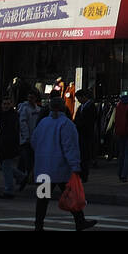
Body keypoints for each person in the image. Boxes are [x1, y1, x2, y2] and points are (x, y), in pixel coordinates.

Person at [30, 96, 96, 231]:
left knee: (42, 199)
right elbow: (70, 147)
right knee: (71, 196)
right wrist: (75, 165)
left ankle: (38, 225)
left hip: (43, 167)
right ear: (63, 107)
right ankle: (80, 221)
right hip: (60, 168)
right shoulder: (66, 124)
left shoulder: (43, 123)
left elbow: (34, 141)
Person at [0, 96, 27, 198]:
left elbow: (11, 133)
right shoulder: (5, 115)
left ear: (12, 105)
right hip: (5, 145)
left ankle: (9, 190)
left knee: (6, 168)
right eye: (4, 104)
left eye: (8, 104)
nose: (5, 106)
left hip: (8, 145)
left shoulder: (11, 116)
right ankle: (21, 177)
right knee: (6, 167)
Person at [73, 89, 100, 182]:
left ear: (84, 97)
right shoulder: (81, 107)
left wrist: (79, 125)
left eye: (79, 98)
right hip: (81, 133)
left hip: (87, 134)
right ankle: (81, 174)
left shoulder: (91, 107)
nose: (78, 100)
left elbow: (91, 121)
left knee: (85, 155)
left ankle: (84, 175)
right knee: (82, 155)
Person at [17, 89, 42, 180]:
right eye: (29, 97)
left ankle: (23, 176)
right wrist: (26, 136)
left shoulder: (38, 109)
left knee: (27, 158)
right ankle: (24, 176)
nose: (31, 99)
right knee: (26, 158)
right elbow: (22, 123)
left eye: (33, 97)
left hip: (34, 137)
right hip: (27, 138)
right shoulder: (24, 109)